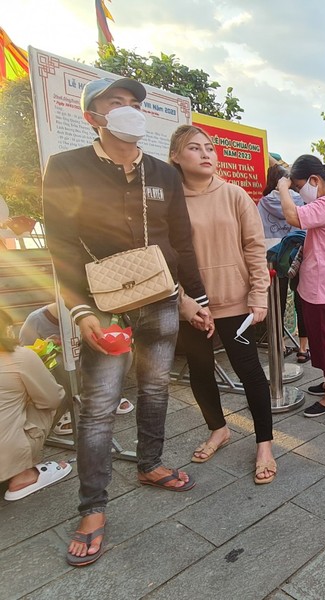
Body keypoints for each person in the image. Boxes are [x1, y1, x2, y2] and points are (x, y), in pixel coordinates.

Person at [43, 77, 211, 566]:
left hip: (160, 297)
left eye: (135, 103)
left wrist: (194, 297)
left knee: (156, 387)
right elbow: (61, 246)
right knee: (98, 406)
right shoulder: (67, 167)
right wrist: (82, 310)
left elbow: (181, 241)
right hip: (103, 304)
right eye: (116, 103)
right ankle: (92, 507)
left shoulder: (163, 171)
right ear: (93, 115)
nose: (129, 110)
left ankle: (150, 463)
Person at [168, 125, 276, 484]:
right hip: (192, 307)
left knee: (249, 372)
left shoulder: (234, 195)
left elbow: (254, 248)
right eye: (194, 148)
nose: (205, 154)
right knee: (200, 370)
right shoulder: (169, 201)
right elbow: (165, 256)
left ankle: (264, 443)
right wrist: (183, 301)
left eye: (210, 148)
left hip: (235, 303)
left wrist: (258, 294)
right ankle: (219, 429)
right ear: (175, 157)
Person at [277, 155, 325, 417]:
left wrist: (283, 189)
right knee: (320, 340)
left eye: (299, 187)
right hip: (319, 283)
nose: (298, 192)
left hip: (324, 286)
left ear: (314, 180)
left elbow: (292, 216)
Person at [19, 304, 134, 437]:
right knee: (59, 361)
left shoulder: (93, 314)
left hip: (91, 370)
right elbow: (25, 355)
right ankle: (64, 408)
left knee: (124, 352)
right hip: (57, 379)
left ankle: (107, 394)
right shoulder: (36, 320)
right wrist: (46, 346)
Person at [0, 309, 72, 502]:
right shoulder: (20, 356)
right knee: (49, 397)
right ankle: (22, 476)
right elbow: (52, 400)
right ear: (7, 329)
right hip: (5, 455)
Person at [259, 163, 309, 363]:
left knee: (276, 301)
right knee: (301, 300)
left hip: (272, 257)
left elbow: (257, 229)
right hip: (297, 254)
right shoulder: (299, 200)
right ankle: (304, 348)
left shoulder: (263, 202)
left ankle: (279, 343)